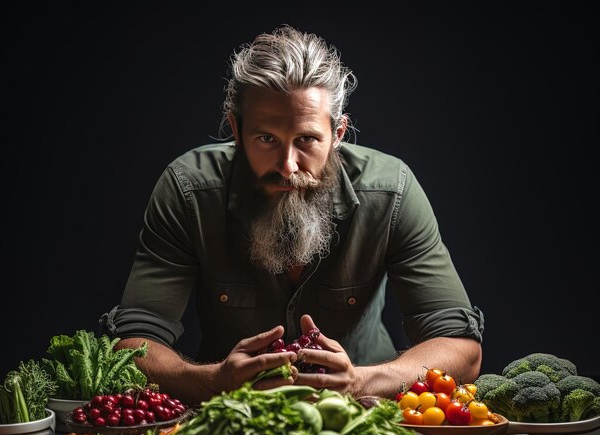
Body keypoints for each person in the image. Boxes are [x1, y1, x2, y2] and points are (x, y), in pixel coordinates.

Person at [101, 25, 484, 405]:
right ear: (236, 129)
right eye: (266, 138)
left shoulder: (392, 192)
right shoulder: (188, 191)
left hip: (368, 414)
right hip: (230, 415)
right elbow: (134, 342)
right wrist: (213, 381)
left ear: (337, 134)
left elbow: (461, 348)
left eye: (307, 140)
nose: (287, 165)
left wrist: (361, 381)